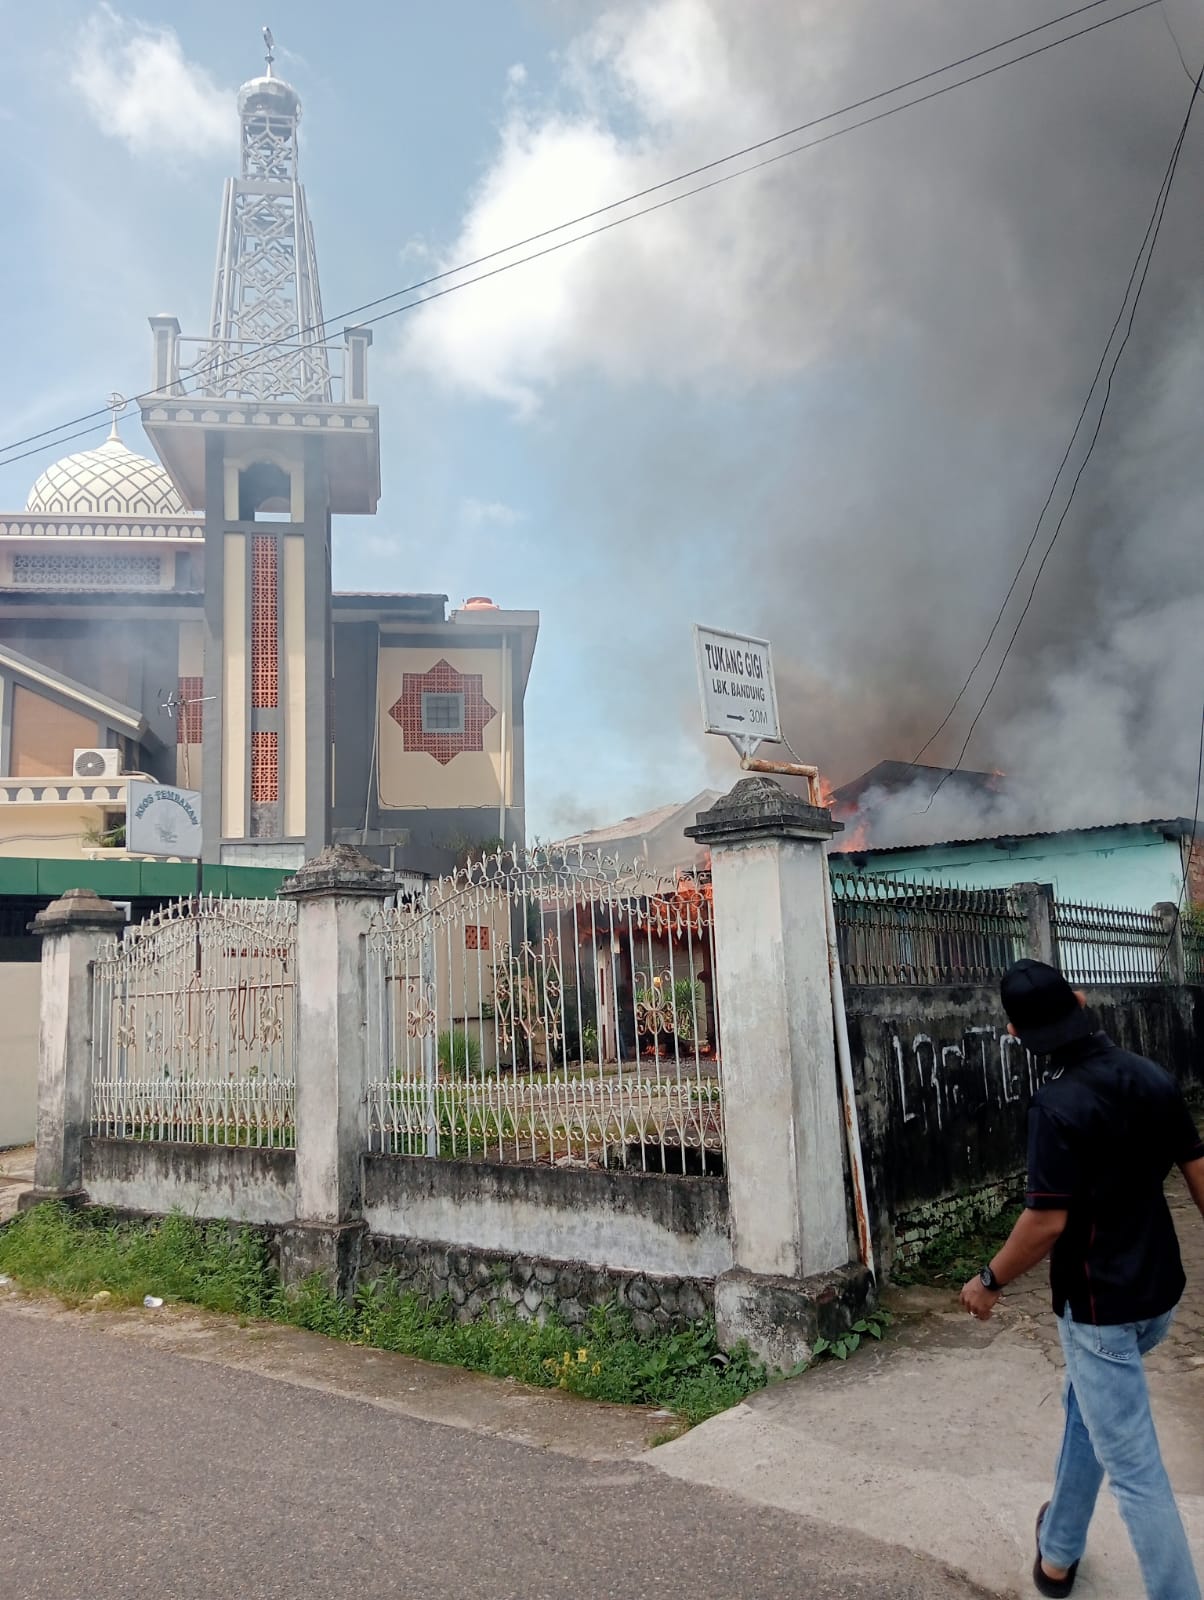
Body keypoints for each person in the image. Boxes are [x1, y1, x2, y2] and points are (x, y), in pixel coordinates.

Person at [959, 958, 1204, 1600]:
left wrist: (987, 1281)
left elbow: (1045, 1225)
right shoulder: (1151, 1077)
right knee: (1087, 1412)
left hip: (1100, 1311)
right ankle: (1059, 1555)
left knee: (1137, 1474)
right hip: (1159, 1296)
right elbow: (1199, 1174)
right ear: (1081, 997)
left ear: (1015, 1033)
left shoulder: (1056, 1105)